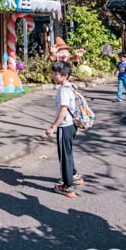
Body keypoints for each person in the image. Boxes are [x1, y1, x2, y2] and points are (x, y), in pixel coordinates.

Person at [43, 61, 83, 198]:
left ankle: (67, 186)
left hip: (64, 126)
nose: (53, 76)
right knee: (68, 151)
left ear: (65, 76)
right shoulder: (70, 86)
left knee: (64, 156)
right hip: (72, 125)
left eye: (56, 74)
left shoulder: (64, 90)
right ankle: (74, 175)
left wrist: (53, 126)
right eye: (53, 73)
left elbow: (63, 110)